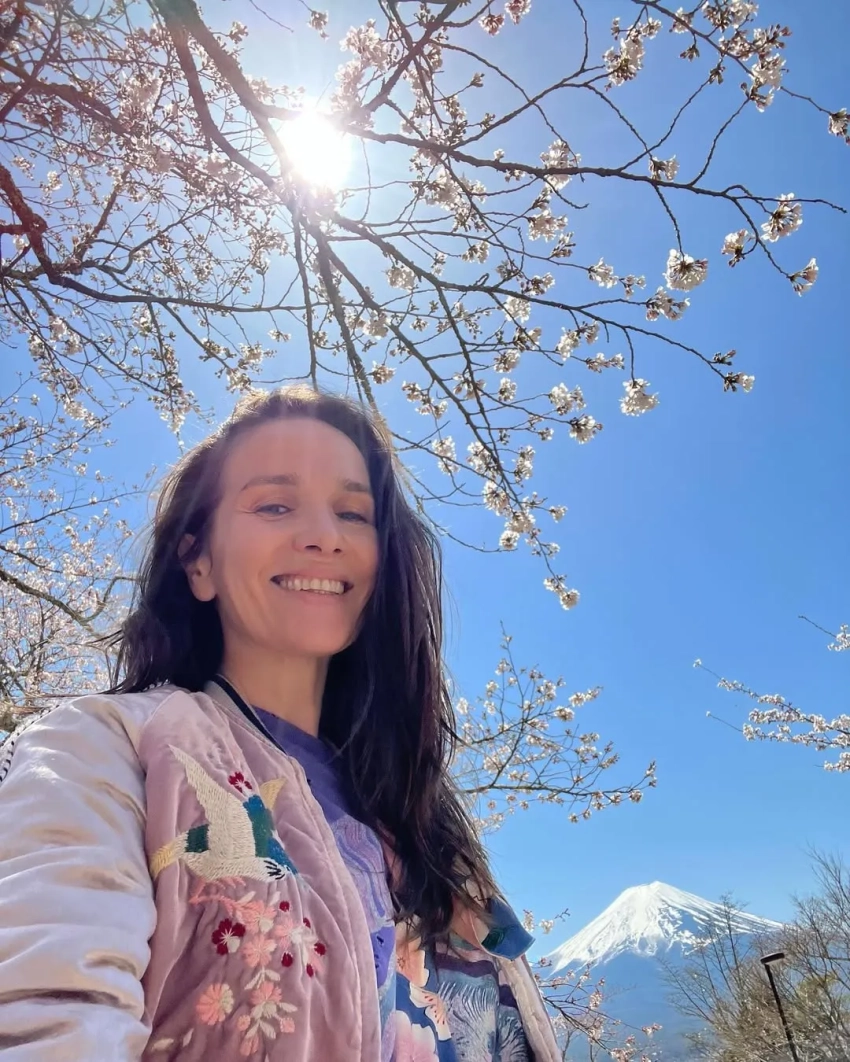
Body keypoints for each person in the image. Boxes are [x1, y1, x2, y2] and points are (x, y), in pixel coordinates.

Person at [0, 386, 559, 1061]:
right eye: (274, 505)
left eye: (353, 513)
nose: (325, 535)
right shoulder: (103, 751)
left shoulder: (425, 829)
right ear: (198, 561)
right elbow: (45, 1014)